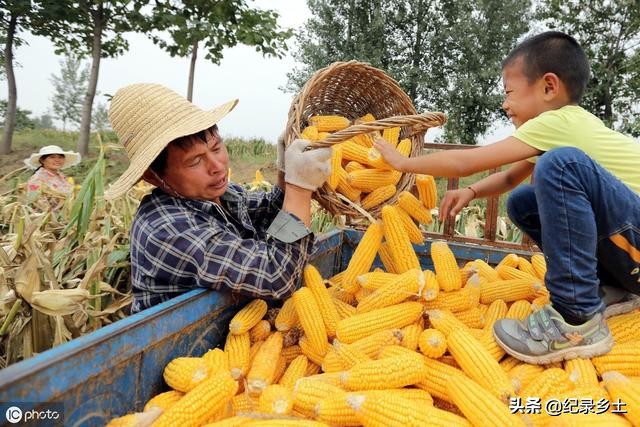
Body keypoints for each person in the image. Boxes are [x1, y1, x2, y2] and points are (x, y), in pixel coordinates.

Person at [374, 31, 640, 364]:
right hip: (630, 252)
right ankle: (608, 283)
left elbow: (467, 160)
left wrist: (402, 162)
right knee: (523, 201)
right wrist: (470, 190)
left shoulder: (559, 122)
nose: (504, 104)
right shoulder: (568, 125)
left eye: (509, 92)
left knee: (560, 165)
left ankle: (577, 316)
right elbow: (511, 178)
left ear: (548, 87)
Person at [103, 83, 331, 314]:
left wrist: (285, 172)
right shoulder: (165, 229)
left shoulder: (219, 195)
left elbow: (269, 211)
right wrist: (300, 188)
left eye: (216, 147)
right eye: (194, 161)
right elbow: (276, 276)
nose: (217, 167)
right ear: (153, 176)